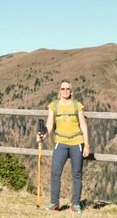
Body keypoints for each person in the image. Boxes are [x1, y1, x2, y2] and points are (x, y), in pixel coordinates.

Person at [38, 80, 90, 213]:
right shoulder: (53, 106)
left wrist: (87, 145)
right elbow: (49, 126)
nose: (65, 91)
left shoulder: (77, 106)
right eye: (63, 89)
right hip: (60, 142)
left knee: (77, 174)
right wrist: (43, 136)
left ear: (71, 91)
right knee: (55, 172)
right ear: (59, 91)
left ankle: (76, 204)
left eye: (68, 89)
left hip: (76, 142)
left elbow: (83, 126)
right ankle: (54, 203)